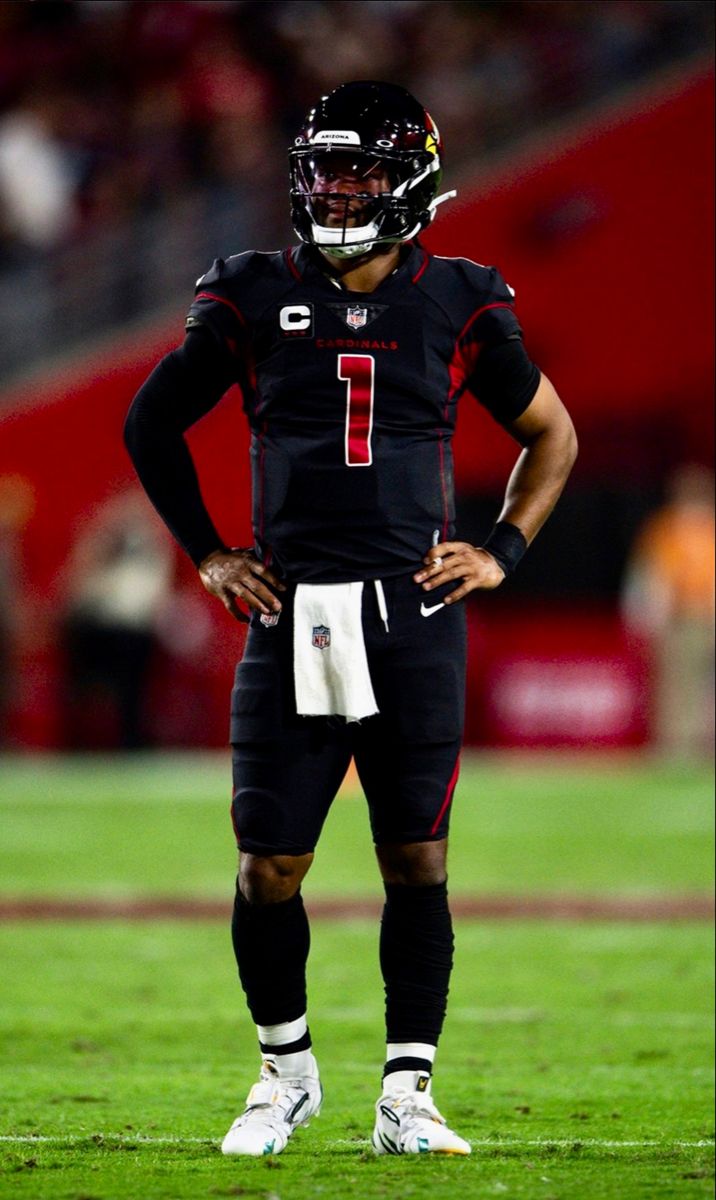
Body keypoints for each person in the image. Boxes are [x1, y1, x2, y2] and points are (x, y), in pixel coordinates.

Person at [124, 81, 577, 1158]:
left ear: (409, 178)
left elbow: (549, 436)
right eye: (323, 171)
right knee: (265, 867)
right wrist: (209, 553)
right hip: (293, 617)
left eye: (360, 172)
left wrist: (503, 550)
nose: (335, 192)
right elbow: (151, 423)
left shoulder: (460, 297)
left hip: (410, 614)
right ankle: (284, 1075)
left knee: (415, 859)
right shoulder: (247, 292)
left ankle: (406, 1097)